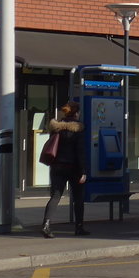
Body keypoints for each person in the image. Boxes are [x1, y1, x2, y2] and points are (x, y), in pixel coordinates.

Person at [41, 100, 88, 238]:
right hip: (73, 168)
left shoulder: (56, 128)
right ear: (77, 113)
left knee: (55, 196)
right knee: (78, 198)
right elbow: (80, 152)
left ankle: (46, 225)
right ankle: (79, 227)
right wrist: (83, 171)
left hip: (57, 167)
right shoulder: (78, 129)